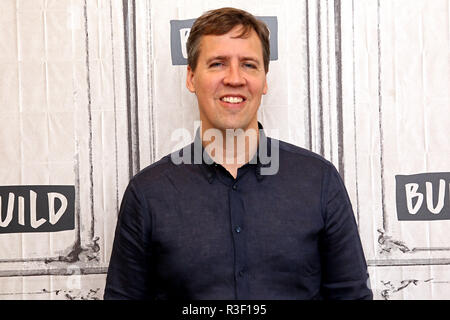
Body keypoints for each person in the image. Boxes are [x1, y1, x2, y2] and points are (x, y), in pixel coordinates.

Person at [104, 7, 373, 300]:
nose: (235, 78)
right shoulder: (147, 194)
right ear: (191, 77)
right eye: (218, 63)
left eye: (248, 65)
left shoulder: (319, 181)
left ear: (264, 79)